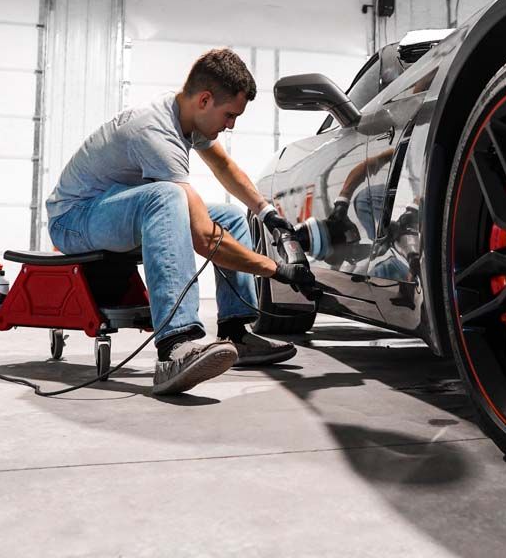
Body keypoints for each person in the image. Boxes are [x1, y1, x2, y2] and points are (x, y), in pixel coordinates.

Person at [45, 48, 315, 395]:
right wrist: (277, 269)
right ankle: (176, 345)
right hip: (73, 219)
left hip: (114, 211)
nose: (231, 125)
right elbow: (204, 237)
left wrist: (268, 214)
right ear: (205, 100)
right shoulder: (155, 133)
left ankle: (235, 332)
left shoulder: (185, 115)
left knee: (230, 216)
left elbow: (224, 167)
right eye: (230, 115)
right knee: (167, 196)